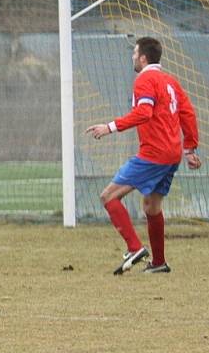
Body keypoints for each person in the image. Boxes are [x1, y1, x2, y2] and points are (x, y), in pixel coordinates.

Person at [85, 36, 201, 275]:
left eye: (135, 53)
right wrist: (189, 149)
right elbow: (188, 113)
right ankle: (159, 263)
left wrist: (110, 127)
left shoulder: (144, 79)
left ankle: (134, 248)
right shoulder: (170, 81)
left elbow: (144, 112)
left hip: (153, 154)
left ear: (144, 58)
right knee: (152, 207)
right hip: (171, 155)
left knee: (108, 197)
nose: (133, 57)